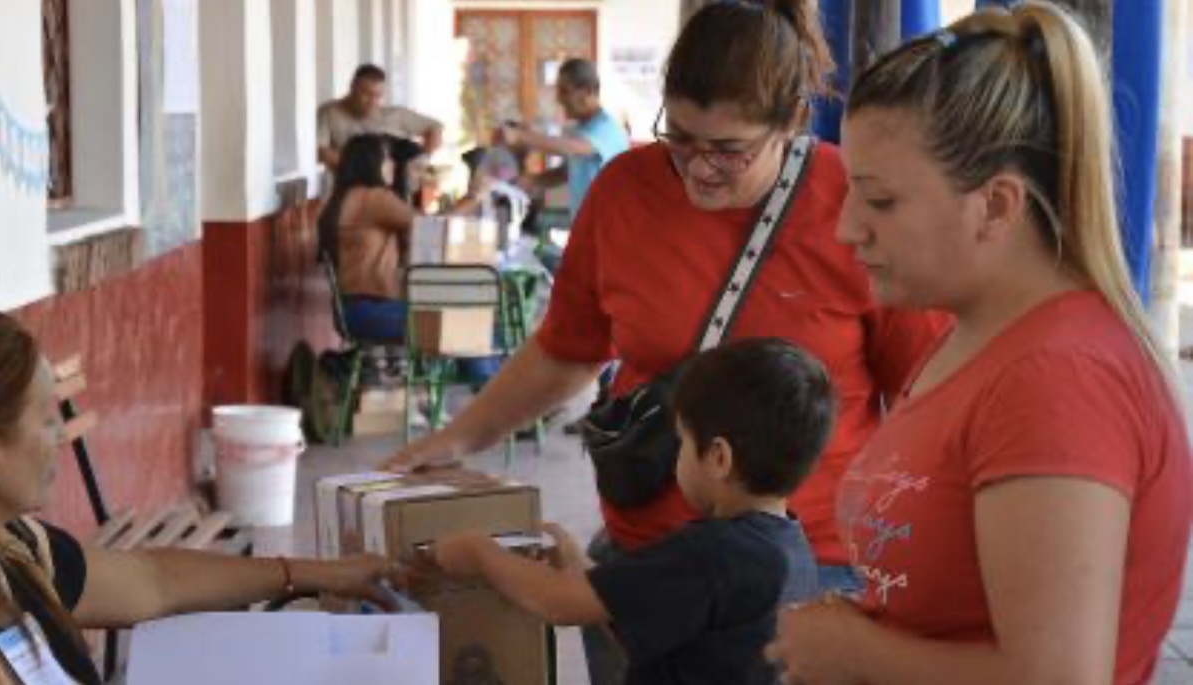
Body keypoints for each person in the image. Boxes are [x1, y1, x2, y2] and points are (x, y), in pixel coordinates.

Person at [385, 1, 944, 682]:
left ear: (791, 123)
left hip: (804, 574)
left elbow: (928, 399)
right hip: (640, 561)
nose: (699, 169)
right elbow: (568, 347)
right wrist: (457, 437)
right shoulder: (625, 191)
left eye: (728, 150)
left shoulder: (854, 206)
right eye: (680, 138)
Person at [764, 4, 1192, 685]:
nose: (846, 230)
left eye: (880, 201)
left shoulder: (1057, 378)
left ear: (996, 204)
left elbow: (1058, 676)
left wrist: (857, 650)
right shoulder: (973, 334)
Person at [0, 309, 400, 684]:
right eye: (46, 418)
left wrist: (313, 574)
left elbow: (154, 581)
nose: (58, 435)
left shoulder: (8, 548)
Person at [429, 338, 833, 685]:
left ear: (718, 458)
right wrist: (577, 563)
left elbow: (557, 603)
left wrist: (479, 552)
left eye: (681, 442)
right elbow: (641, 610)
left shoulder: (710, 552)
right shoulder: (789, 549)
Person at [318, 134, 488, 344]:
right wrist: (473, 197)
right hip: (372, 312)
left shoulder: (346, 196)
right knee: (469, 322)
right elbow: (430, 228)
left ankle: (483, 374)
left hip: (355, 311)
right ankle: (488, 376)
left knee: (463, 315)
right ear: (371, 162)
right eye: (387, 159)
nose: (393, 165)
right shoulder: (373, 198)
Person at [497, 58, 629, 221]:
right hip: (585, 224)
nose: (559, 99)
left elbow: (575, 148)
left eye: (565, 91)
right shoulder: (578, 130)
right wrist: (532, 180)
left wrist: (519, 136)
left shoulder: (607, 127)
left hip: (610, 226)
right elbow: (566, 172)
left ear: (587, 91)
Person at [317, 64, 443, 171]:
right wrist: (366, 166)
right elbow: (320, 151)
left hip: (394, 190)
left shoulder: (396, 115)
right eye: (367, 94)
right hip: (347, 188)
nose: (372, 102)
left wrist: (424, 157)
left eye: (378, 96)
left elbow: (435, 126)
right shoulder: (329, 112)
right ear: (352, 87)